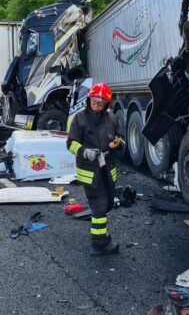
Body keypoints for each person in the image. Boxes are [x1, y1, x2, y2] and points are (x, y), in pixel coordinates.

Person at [67, 83, 123, 255]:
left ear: (107, 104)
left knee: (106, 204)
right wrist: (85, 152)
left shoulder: (112, 118)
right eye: (94, 101)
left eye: (101, 103)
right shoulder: (80, 119)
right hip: (90, 171)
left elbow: (121, 140)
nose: (97, 105)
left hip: (107, 169)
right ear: (89, 99)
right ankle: (98, 244)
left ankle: (101, 236)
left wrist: (117, 144)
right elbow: (70, 143)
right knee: (99, 207)